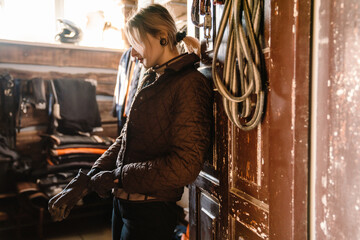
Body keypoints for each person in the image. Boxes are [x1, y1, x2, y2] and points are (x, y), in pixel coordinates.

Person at [48, 4, 213, 240]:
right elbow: (125, 138)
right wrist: (87, 178)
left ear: (162, 37)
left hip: (152, 211)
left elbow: (184, 165)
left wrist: (118, 176)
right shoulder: (150, 78)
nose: (132, 54)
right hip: (123, 204)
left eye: (136, 43)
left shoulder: (189, 84)